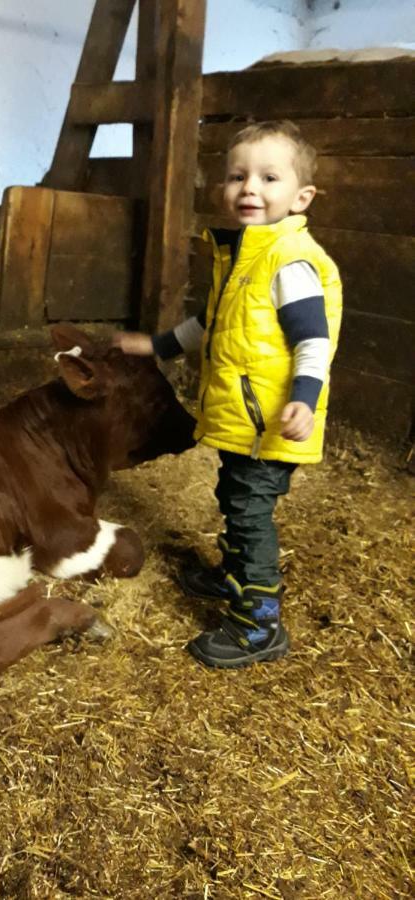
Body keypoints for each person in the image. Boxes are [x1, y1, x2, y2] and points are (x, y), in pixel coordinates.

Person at [115, 120, 342, 668]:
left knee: (248, 512)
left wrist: (304, 401)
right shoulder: (242, 254)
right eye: (238, 176)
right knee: (233, 495)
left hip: (271, 422)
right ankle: (233, 577)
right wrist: (155, 346)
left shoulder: (288, 261)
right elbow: (207, 326)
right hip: (246, 419)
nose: (250, 189)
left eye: (269, 177)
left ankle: (259, 623)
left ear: (300, 196)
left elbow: (314, 341)